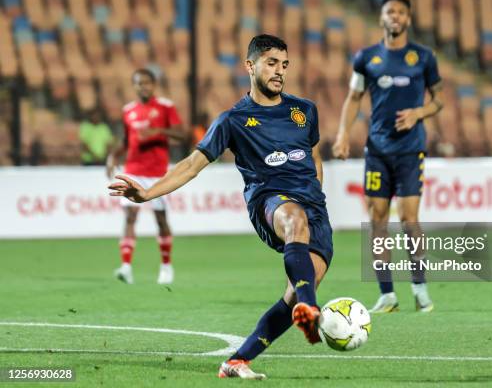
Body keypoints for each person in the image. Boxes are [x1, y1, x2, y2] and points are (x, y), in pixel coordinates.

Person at [109, 34, 331, 380]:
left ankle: (238, 360)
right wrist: (148, 193)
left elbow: (314, 157)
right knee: (294, 222)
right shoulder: (233, 120)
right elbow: (191, 165)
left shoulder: (305, 110)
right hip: (270, 201)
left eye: (284, 65)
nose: (279, 71)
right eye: (271, 63)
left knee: (298, 287)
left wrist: (317, 192)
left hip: (314, 207)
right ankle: (311, 307)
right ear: (250, 66)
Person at [332, 0, 444, 313]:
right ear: (381, 18)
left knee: (409, 220)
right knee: (377, 220)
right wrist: (342, 134)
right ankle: (387, 294)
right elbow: (354, 98)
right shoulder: (366, 58)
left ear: (408, 19)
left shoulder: (423, 57)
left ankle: (420, 288)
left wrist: (418, 113)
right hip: (377, 150)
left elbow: (439, 100)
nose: (395, 16)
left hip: (410, 151)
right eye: (389, 11)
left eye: (400, 12)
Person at [106, 69, 185, 285]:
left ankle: (166, 266)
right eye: (139, 83)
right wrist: (113, 156)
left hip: (157, 174)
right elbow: (125, 140)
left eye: (147, 83)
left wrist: (158, 131)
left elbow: (181, 133)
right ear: (134, 86)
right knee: (130, 216)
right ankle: (126, 266)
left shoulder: (165, 107)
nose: (144, 87)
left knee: (160, 219)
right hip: (132, 170)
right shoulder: (128, 111)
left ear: (154, 84)